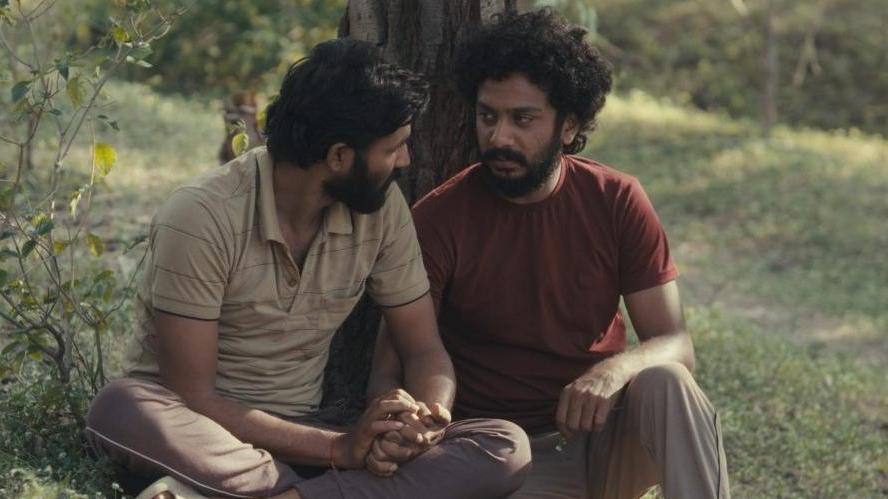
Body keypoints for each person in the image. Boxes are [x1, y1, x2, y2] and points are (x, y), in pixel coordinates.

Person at [85, 38, 530, 499]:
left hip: (308, 434)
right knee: (118, 407)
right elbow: (194, 397)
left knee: (503, 447)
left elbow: (423, 351)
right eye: (394, 148)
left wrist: (427, 419)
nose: (406, 161)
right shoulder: (201, 216)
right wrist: (342, 450)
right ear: (339, 157)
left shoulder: (380, 210)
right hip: (205, 437)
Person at [369, 9, 730, 499]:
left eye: (523, 119)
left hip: (605, 440)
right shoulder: (438, 218)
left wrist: (613, 370)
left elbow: (676, 343)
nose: (500, 137)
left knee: (668, 382)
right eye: (488, 116)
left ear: (568, 126)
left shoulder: (617, 199)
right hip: (505, 455)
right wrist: (408, 423)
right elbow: (394, 363)